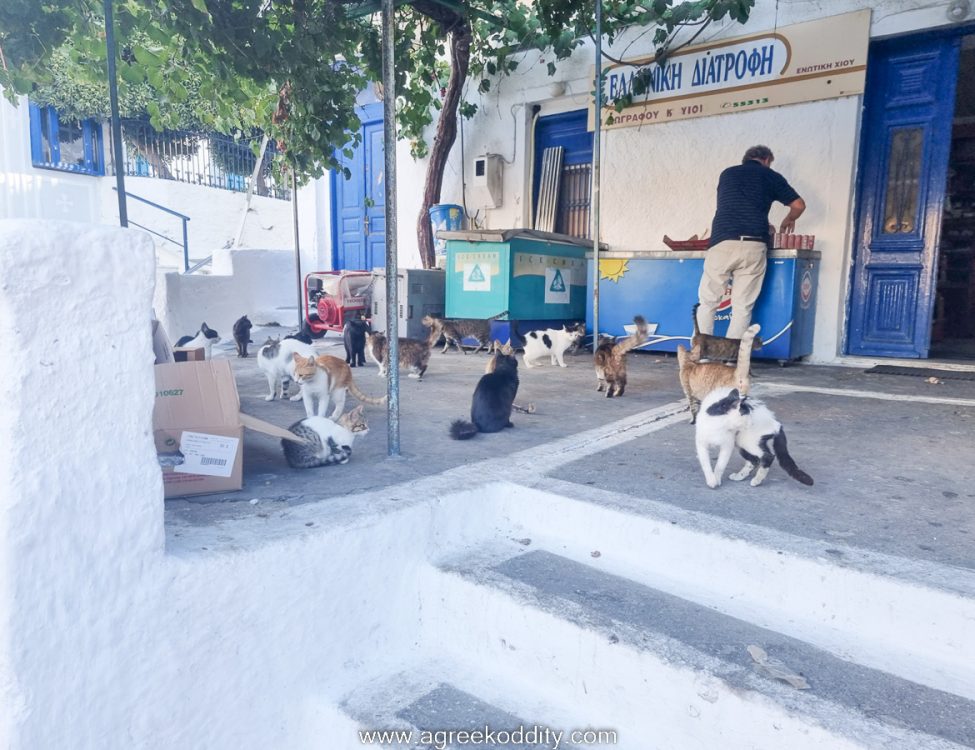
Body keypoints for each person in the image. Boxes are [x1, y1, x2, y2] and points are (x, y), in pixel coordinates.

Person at [696, 145, 805, 339]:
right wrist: (789, 219)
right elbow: (798, 205)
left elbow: (738, 204)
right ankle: (731, 360)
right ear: (766, 160)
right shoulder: (771, 176)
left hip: (723, 241)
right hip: (754, 243)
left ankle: (701, 356)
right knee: (742, 306)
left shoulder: (727, 174)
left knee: (708, 302)